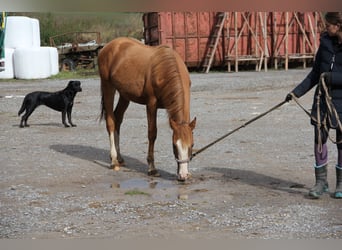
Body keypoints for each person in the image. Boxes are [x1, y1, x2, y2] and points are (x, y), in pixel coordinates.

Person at [286, 12, 342, 199]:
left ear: (338, 25)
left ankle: (341, 183)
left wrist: (331, 77)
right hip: (322, 99)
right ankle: (321, 182)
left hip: (341, 100)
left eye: (328, 25)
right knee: (319, 139)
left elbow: (326, 75)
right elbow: (315, 73)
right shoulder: (325, 43)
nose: (325, 28)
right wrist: (296, 92)